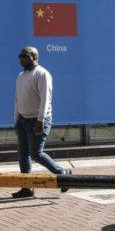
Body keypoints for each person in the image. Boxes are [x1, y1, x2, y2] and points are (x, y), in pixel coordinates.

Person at [11, 46, 69, 198]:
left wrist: (40, 120)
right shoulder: (20, 76)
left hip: (37, 120)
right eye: (20, 55)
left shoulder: (42, 74)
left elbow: (45, 100)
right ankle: (26, 187)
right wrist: (16, 120)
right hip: (23, 120)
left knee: (36, 154)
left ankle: (62, 173)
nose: (21, 58)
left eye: (25, 55)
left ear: (35, 57)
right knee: (23, 154)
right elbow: (17, 99)